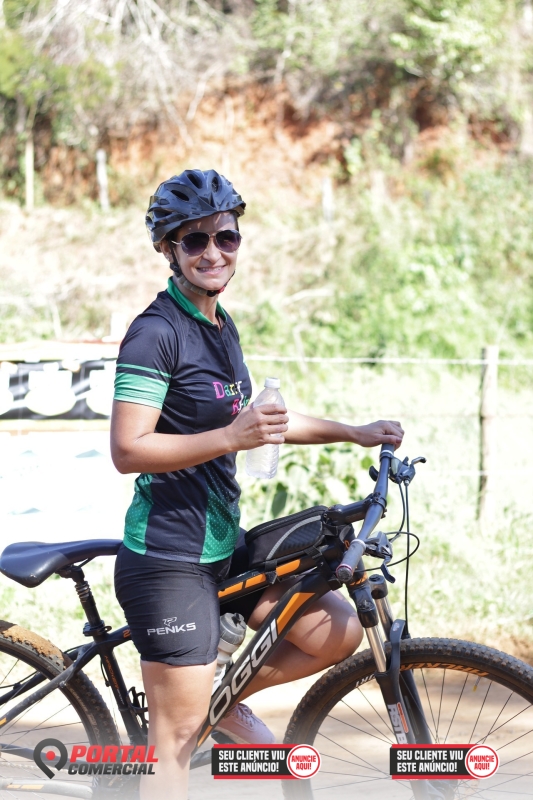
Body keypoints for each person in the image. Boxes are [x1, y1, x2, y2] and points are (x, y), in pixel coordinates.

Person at [110, 168, 404, 800]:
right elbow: (128, 450)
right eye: (195, 240)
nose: (214, 252)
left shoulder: (220, 325)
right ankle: (192, 714)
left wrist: (354, 432)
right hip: (168, 557)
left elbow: (259, 423)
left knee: (335, 629)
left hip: (221, 544)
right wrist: (229, 438)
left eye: (226, 237)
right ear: (167, 249)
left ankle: (219, 697)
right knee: (174, 743)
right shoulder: (155, 334)